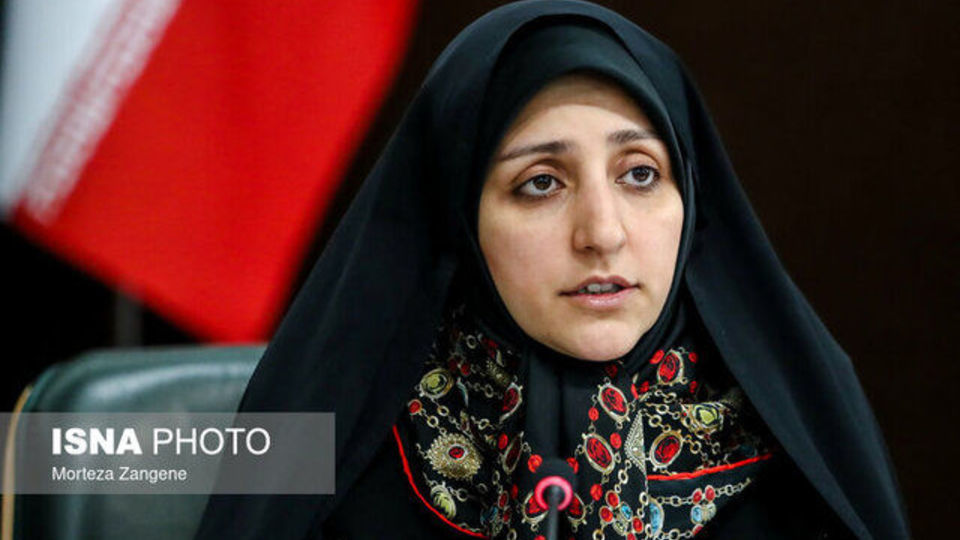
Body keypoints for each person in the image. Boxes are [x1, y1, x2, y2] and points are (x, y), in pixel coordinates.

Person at [195, 1, 909, 539]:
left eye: (639, 174)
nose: (602, 234)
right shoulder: (328, 420)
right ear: (458, 215)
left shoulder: (799, 429)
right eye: (540, 183)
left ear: (691, 198)